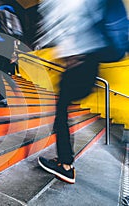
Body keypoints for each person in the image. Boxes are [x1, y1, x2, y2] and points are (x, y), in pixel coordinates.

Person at [36, 0, 108, 184]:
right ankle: (65, 161)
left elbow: (66, 33)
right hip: (91, 66)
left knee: (61, 114)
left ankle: (66, 165)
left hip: (79, 66)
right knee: (62, 112)